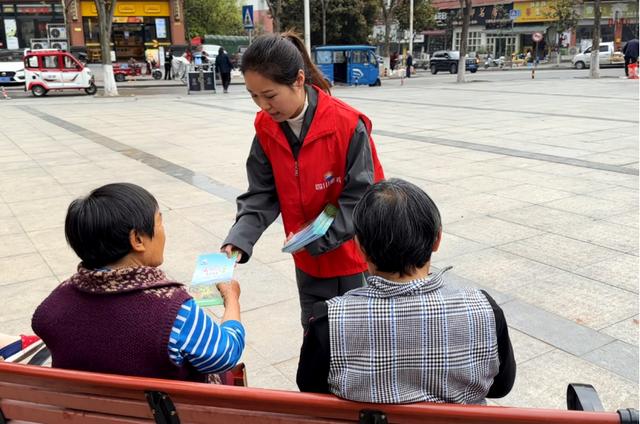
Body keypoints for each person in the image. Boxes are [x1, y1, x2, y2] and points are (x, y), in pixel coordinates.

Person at [296, 178, 516, 404]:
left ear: (360, 248)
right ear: (437, 239)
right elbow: (500, 386)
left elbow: (311, 390)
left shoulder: (328, 321)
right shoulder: (484, 310)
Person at [221, 32, 384, 331]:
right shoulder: (267, 128)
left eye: (270, 95)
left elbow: (362, 197)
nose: (263, 106)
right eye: (254, 96)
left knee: (357, 338)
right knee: (315, 337)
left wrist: (317, 237)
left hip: (352, 259)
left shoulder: (347, 125)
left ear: (298, 80)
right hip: (307, 262)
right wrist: (238, 239)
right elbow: (262, 193)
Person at [32, 183, 245, 381]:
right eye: (160, 222)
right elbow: (226, 354)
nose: (163, 233)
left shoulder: (52, 308)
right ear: (137, 240)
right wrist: (231, 298)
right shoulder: (176, 312)